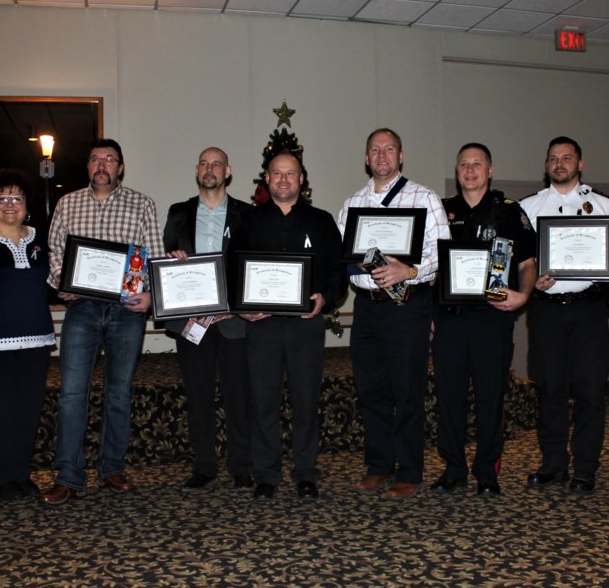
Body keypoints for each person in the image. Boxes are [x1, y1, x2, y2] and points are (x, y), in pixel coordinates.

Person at [40, 139, 165, 505]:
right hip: (82, 309)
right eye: (95, 159)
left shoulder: (142, 204)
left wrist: (150, 297)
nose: (102, 165)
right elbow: (56, 254)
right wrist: (64, 284)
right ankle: (69, 475)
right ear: (88, 166)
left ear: (120, 168)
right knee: (72, 393)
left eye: (109, 160)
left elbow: (153, 256)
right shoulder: (68, 203)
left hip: (126, 311)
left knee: (119, 392)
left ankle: (112, 467)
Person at [338, 128, 450, 500]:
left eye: (389, 149)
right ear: (366, 158)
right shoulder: (353, 203)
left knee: (407, 392)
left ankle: (410, 470)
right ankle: (379, 466)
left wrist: (410, 271)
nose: (382, 156)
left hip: (407, 307)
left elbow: (442, 254)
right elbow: (345, 255)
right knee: (371, 392)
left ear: (401, 156)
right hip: (368, 309)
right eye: (374, 149)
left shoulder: (425, 198)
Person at [231, 151, 345, 502]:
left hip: (304, 326)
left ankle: (306, 473)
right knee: (263, 402)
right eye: (276, 173)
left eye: (290, 173)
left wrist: (324, 299)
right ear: (266, 179)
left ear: (301, 178)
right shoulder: (247, 221)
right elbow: (232, 271)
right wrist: (242, 308)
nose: (283, 179)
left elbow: (337, 273)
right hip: (261, 326)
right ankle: (266, 474)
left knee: (306, 401)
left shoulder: (322, 221)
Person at [518, 137, 609, 497]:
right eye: (553, 159)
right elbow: (520, 265)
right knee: (549, 390)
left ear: (580, 164)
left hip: (589, 311)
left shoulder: (603, 204)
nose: (559, 164)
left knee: (590, 391)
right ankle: (553, 464)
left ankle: (585, 467)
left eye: (567, 158)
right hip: (547, 310)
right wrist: (534, 282)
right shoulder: (529, 208)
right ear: (546, 165)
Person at [430, 143, 537, 497]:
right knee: (449, 398)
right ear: (456, 170)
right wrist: (429, 316)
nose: (470, 170)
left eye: (477, 164)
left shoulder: (509, 212)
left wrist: (524, 294)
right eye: (464, 164)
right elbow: (429, 270)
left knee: (492, 398)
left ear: (490, 170)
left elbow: (527, 264)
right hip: (450, 321)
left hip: (493, 318)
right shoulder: (441, 212)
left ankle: (487, 472)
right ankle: (453, 469)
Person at [163, 147, 253, 492]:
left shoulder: (247, 214)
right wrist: (175, 258)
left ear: (227, 171)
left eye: (216, 164)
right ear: (196, 170)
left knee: (238, 397)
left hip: (233, 320)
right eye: (203, 163)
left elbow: (250, 266)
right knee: (198, 396)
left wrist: (237, 306)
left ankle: (241, 467)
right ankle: (203, 468)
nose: (209, 169)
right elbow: (169, 260)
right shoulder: (178, 213)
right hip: (193, 320)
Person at [0, 169, 56, 502]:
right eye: (2, 198)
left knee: (28, 410)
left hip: (36, 339)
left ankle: (21, 474)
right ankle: (2, 478)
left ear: (26, 204)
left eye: (16, 198)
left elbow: (58, 277)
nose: (10, 204)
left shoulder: (41, 238)